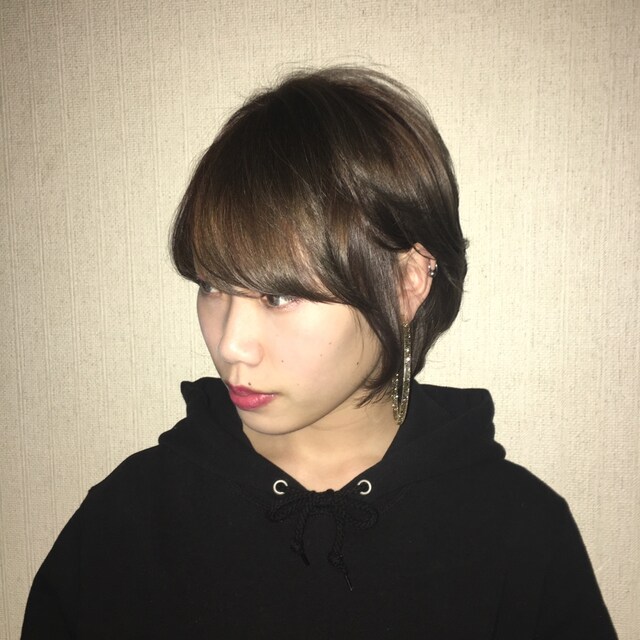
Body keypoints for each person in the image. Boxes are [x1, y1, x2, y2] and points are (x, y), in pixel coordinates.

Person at [22, 67, 617, 639]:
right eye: (211, 285)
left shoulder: (517, 533)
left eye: (279, 295)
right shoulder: (128, 522)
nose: (229, 343)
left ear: (407, 281)